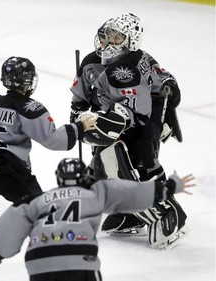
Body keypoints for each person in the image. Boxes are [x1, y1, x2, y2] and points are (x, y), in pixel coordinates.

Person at [69, 13, 189, 249]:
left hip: (143, 121)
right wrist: (78, 116)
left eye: (116, 36)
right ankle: (130, 212)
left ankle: (171, 214)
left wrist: (169, 88)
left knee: (140, 165)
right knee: (105, 169)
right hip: (111, 120)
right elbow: (79, 96)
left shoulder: (136, 62)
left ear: (131, 40)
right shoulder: (91, 61)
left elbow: (160, 83)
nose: (107, 40)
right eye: (106, 34)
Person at [0, 158, 195, 281]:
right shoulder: (96, 192)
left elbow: (10, 224)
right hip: (79, 258)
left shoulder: (37, 200)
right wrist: (168, 187)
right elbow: (130, 193)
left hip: (39, 261)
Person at [0, 56, 96, 235]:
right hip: (12, 175)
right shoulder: (28, 108)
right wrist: (80, 127)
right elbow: (53, 140)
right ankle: (55, 256)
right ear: (28, 81)